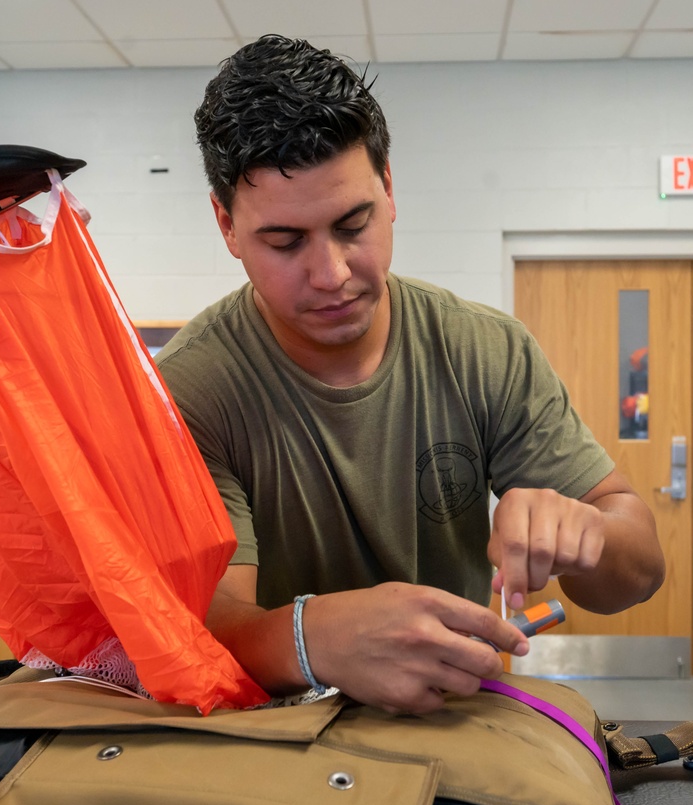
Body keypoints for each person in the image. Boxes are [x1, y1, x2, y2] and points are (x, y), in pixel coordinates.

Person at [155, 34, 664, 716]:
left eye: (352, 223)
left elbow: (638, 571)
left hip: (456, 727)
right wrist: (315, 638)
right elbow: (204, 630)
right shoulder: (191, 391)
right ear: (226, 224)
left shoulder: (485, 351)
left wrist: (587, 536)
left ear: (389, 189)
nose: (331, 274)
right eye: (285, 242)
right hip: (270, 743)